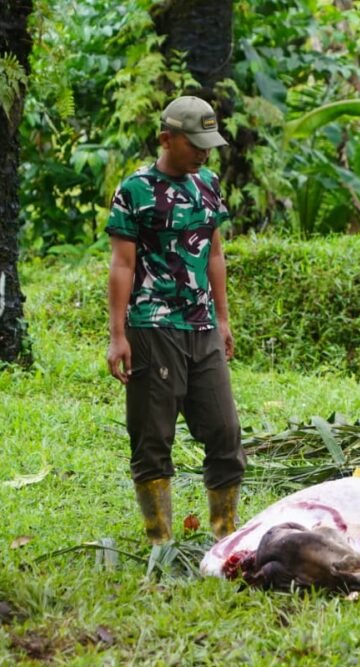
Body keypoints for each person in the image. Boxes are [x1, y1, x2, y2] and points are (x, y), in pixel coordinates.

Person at [106, 95, 245, 545]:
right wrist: (117, 334)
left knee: (225, 432)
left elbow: (215, 254)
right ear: (167, 139)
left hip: (201, 325)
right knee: (153, 438)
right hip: (151, 326)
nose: (204, 153)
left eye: (209, 143)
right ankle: (159, 542)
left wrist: (223, 319)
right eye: (195, 144)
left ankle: (224, 535)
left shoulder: (207, 184)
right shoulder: (135, 191)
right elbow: (122, 265)